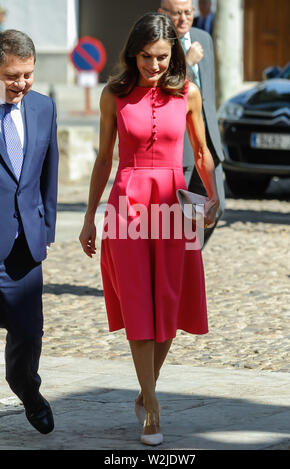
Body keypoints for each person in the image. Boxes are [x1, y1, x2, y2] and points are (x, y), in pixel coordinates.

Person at [79, 12, 219, 446]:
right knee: (140, 303)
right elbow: (104, 159)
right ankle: (152, 411)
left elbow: (201, 151)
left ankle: (145, 389)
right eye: (146, 57)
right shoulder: (113, 95)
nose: (154, 66)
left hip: (175, 207)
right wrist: (89, 216)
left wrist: (210, 196)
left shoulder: (188, 93)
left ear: (172, 54)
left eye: (161, 57)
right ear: (133, 53)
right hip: (128, 207)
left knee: (171, 303)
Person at [0, 30, 59, 434]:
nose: (21, 83)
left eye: (27, 74)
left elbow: (49, 173)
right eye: (12, 76)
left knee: (27, 332)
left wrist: (47, 230)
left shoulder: (43, 107)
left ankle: (26, 389)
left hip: (24, 247)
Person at [159, 0, 225, 246]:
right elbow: (161, 89)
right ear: (163, 13)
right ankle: (182, 266)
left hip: (207, 142)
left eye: (188, 13)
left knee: (215, 208)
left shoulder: (202, 38)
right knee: (180, 214)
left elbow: (208, 93)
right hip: (180, 146)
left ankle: (190, 257)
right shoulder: (158, 43)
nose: (184, 19)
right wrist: (187, 63)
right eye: (177, 14)